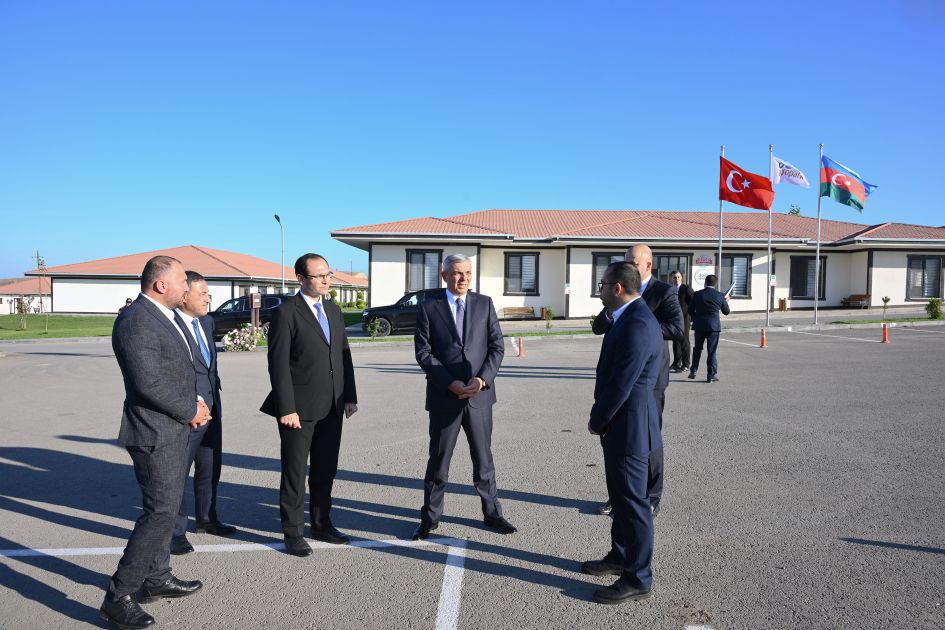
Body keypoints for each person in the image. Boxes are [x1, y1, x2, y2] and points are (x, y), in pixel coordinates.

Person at [100, 256, 210, 630]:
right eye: (181, 281)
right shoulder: (136, 321)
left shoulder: (165, 316)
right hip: (154, 432)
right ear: (161, 284)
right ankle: (118, 596)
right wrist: (190, 409)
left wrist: (195, 401)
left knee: (168, 506)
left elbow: (174, 371)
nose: (187, 287)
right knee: (159, 512)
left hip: (172, 428)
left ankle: (157, 577)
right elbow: (148, 382)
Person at [410, 254, 516, 540]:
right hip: (445, 397)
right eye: (457, 273)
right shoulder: (429, 307)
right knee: (439, 461)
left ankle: (492, 514)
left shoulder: (484, 304)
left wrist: (482, 380)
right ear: (444, 275)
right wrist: (450, 383)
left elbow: (497, 347)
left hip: (479, 397)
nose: (464, 278)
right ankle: (430, 518)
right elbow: (423, 352)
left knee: (484, 461)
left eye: (468, 273)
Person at [260, 253, 358, 557]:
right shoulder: (286, 313)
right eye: (320, 276)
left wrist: (350, 396)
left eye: (328, 274)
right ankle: (293, 533)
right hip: (298, 410)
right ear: (301, 279)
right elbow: (277, 365)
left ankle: (321, 523)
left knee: (325, 470)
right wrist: (286, 407)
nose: (327, 280)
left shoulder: (333, 310)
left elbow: (343, 355)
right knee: (295, 472)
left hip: (333, 405)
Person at [582, 261, 664, 604]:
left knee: (633, 505)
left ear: (617, 288)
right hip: (622, 425)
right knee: (620, 498)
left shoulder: (637, 324)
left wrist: (597, 420)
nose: (599, 291)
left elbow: (621, 384)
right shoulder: (627, 317)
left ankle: (638, 578)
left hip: (630, 427)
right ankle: (620, 556)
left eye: (602, 285)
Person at [592, 244, 683, 517]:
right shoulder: (616, 291)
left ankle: (651, 496)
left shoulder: (663, 292)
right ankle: (618, 494)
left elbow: (677, 328)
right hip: (620, 371)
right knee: (616, 440)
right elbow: (598, 326)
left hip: (649, 378)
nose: (628, 265)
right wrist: (614, 314)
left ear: (648, 265)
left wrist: (639, 325)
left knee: (648, 440)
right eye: (626, 261)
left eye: (633, 262)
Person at [170, 271, 236, 556]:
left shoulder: (207, 322)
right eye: (203, 294)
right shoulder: (169, 325)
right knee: (177, 475)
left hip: (212, 408)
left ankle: (207, 519)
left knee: (209, 467)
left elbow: (210, 368)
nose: (209, 298)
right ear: (184, 295)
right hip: (185, 413)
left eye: (209, 293)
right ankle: (174, 532)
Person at [688, 274, 731, 383]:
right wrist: (726, 301)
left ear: (705, 282)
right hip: (714, 327)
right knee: (711, 351)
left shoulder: (697, 294)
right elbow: (726, 312)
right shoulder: (720, 295)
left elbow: (690, 310)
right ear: (715, 284)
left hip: (699, 325)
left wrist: (696, 318)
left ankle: (693, 370)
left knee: (697, 349)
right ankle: (711, 375)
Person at [669, 271, 694, 373]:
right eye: (674, 277)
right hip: (673, 319)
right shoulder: (670, 289)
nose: (676, 279)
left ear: (681, 278)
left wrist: (691, 317)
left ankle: (686, 364)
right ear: (671, 279)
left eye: (678, 277)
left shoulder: (686, 289)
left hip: (684, 318)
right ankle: (676, 363)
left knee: (684, 341)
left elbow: (693, 303)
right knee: (675, 341)